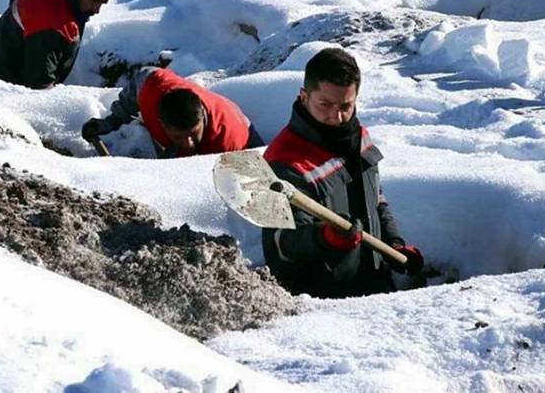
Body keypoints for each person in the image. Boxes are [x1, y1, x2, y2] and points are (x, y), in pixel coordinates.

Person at [261, 47, 423, 297]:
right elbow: (281, 243)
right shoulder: (283, 161)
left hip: (375, 287)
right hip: (326, 303)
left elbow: (376, 200)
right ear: (304, 97)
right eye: (325, 104)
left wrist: (394, 243)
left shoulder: (358, 138)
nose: (336, 117)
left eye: (346, 105)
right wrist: (325, 238)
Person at [81, 66, 264, 158]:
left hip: (242, 131)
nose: (188, 143)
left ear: (201, 119)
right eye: (179, 137)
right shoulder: (152, 86)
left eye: (193, 134)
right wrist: (112, 121)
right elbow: (139, 81)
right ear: (161, 123)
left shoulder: (225, 145)